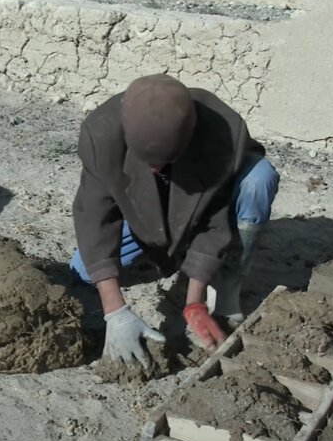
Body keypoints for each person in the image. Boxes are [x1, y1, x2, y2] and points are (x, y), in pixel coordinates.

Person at [70, 74, 279, 370]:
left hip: (195, 206)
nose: (157, 168)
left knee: (259, 178)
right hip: (145, 213)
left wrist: (194, 303)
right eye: (149, 163)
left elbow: (214, 219)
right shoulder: (101, 137)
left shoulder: (219, 135)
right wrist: (115, 312)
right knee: (85, 272)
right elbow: (94, 216)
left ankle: (229, 289)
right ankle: (168, 251)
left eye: (165, 162)